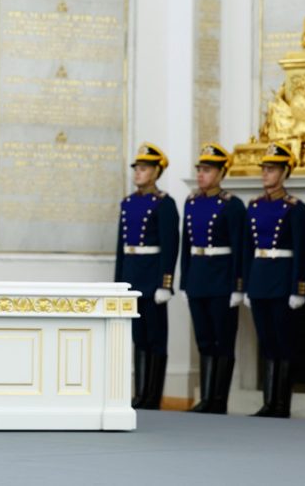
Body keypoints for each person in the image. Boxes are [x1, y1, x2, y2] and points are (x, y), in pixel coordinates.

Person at [241, 142, 305, 418]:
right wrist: (247, 285)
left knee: (284, 343)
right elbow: (248, 249)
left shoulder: (295, 208)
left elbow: (302, 251)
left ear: (284, 173)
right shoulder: (254, 206)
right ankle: (269, 402)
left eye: (271, 170)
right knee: (267, 343)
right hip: (260, 280)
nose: (265, 174)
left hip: (283, 281)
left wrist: (299, 288)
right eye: (264, 169)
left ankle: (282, 404)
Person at [181, 143, 245, 414]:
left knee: (223, 341)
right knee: (204, 340)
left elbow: (240, 247)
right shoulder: (192, 202)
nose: (201, 174)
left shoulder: (232, 205)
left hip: (221, 280)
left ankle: (219, 400)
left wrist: (238, 285)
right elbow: (186, 244)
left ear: (221, 173)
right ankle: (206, 397)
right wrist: (184, 281)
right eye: (200, 169)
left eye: (207, 170)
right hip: (198, 278)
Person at [114, 143, 179, 410]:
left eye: (143, 168)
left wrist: (165, 283)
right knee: (138, 337)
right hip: (132, 275)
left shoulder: (164, 204)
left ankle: (153, 396)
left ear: (155, 172)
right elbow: (121, 247)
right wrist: (118, 283)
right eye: (137, 168)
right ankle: (140, 393)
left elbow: (170, 245)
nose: (138, 173)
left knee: (155, 338)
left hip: (152, 278)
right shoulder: (128, 203)